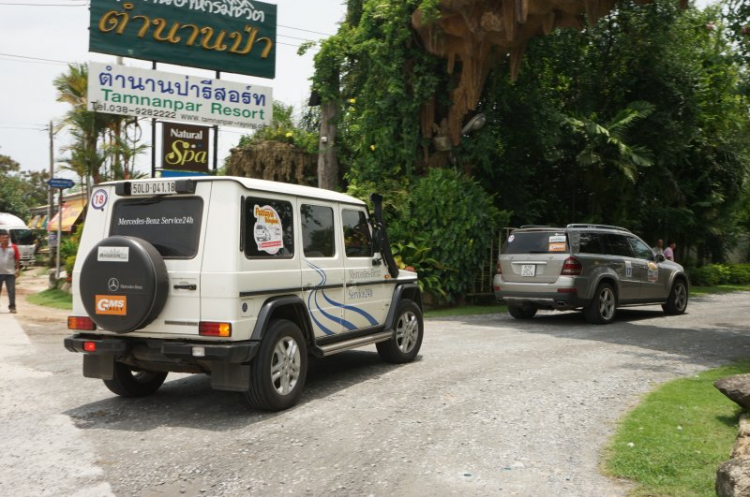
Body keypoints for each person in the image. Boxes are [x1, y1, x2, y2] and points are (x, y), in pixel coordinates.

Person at [0, 228, 20, 313]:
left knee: (11, 291)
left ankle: (12, 307)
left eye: (6, 237)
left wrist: (17, 269)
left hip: (10, 273)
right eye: (3, 237)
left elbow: (17, 259)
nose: (5, 239)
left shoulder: (13, 247)